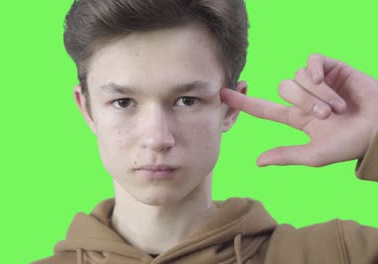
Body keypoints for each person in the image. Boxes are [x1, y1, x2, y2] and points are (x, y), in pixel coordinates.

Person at [33, 0, 378, 263]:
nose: (156, 138)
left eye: (186, 100)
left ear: (231, 107)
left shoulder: (338, 254)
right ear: (87, 108)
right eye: (123, 102)